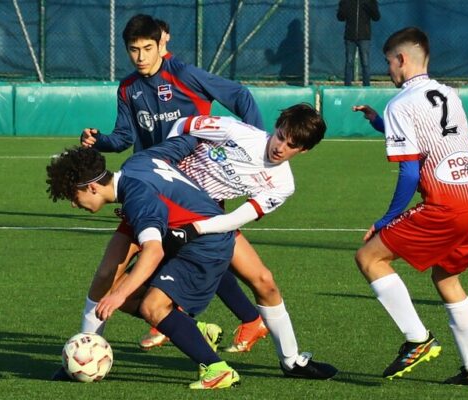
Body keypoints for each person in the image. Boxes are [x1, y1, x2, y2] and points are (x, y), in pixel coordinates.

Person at [94, 104, 338, 380]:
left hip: (205, 217)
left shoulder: (282, 184)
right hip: (162, 200)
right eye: (280, 135)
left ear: (303, 151)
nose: (280, 146)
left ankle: (292, 361)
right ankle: (90, 342)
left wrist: (193, 229)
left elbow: (237, 217)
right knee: (110, 279)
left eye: (291, 145)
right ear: (276, 127)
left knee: (264, 281)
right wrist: (167, 164)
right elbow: (185, 125)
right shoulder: (234, 129)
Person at [77, 14, 270, 353]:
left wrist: (255, 149)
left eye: (147, 49)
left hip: (194, 184)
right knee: (127, 263)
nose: (140, 57)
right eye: (133, 50)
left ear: (160, 45)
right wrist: (101, 141)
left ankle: (242, 321)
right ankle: (188, 321)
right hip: (148, 185)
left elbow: (240, 96)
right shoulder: (127, 88)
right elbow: (124, 136)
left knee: (201, 253)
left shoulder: (183, 74)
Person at [354, 27, 468, 387]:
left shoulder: (401, 103)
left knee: (369, 258)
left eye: (388, 62)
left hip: (447, 204)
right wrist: (378, 123)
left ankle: (418, 339)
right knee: (446, 277)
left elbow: (409, 170)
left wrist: (385, 220)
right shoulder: (448, 93)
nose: (387, 70)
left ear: (401, 59)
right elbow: (431, 135)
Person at [46, 140, 241, 389]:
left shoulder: (138, 200)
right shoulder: (134, 167)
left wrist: (119, 295)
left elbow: (153, 252)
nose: (73, 203)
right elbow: (106, 271)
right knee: (109, 279)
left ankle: (218, 369)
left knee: (152, 306)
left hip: (206, 244)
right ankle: (194, 331)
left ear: (93, 187)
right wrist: (88, 343)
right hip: (182, 237)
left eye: (74, 195)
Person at [337, 0, 380, 86]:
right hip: (350, 36)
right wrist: (343, 8)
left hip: (364, 36)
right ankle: (347, 85)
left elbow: (376, 17)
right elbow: (340, 17)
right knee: (349, 62)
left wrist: (369, 6)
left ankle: (366, 85)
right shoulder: (346, 1)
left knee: (365, 62)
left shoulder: (369, 1)